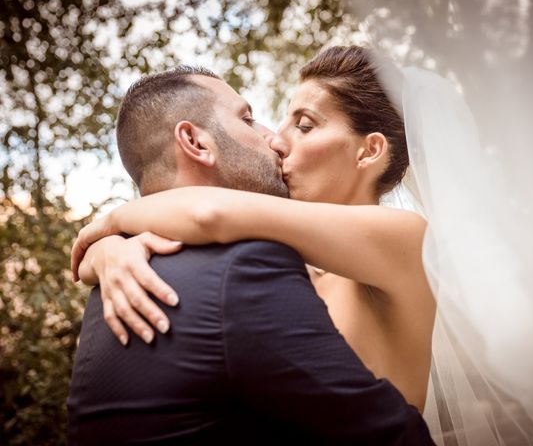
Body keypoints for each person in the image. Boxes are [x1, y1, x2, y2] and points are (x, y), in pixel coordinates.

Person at [66, 65, 433, 445]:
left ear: (368, 150)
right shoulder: (295, 274)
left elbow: (210, 214)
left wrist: (109, 228)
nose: (276, 139)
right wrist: (109, 251)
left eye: (305, 126)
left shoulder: (406, 235)